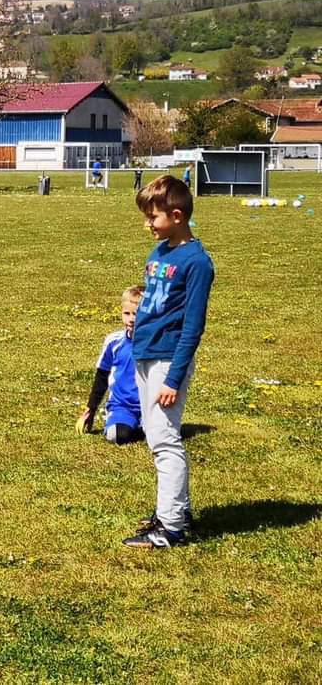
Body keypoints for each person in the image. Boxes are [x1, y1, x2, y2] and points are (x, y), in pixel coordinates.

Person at [123, 175, 214, 549]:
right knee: (154, 435)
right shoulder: (159, 252)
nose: (148, 224)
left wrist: (174, 378)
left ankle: (172, 527)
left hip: (167, 361)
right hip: (146, 354)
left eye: (152, 217)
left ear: (176, 215)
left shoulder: (197, 263)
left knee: (164, 440)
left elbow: (193, 327)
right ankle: (172, 510)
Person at [76, 286, 144, 445]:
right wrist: (90, 409)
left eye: (137, 314)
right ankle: (132, 427)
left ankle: (146, 426)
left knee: (163, 437)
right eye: (127, 313)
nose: (131, 319)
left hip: (151, 406)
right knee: (117, 436)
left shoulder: (158, 344)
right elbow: (102, 376)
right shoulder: (114, 342)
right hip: (123, 407)